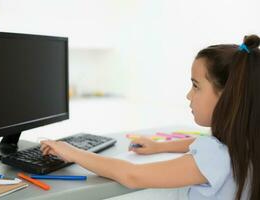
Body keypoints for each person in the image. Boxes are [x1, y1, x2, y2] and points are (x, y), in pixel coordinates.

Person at [40, 35, 260, 200]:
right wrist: (158, 146)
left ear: (227, 96)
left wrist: (73, 152)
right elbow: (201, 143)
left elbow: (131, 175)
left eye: (196, 86)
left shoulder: (215, 157)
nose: (188, 95)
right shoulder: (246, 143)